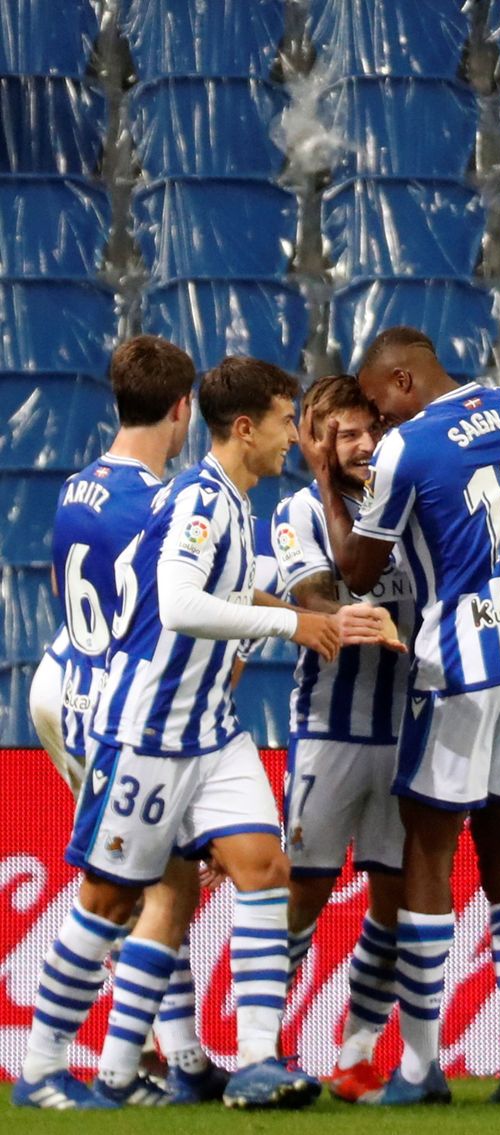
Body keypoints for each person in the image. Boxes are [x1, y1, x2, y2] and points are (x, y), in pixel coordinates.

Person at [16, 356, 388, 1111]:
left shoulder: (227, 501)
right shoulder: (197, 501)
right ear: (244, 428)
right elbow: (182, 604)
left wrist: (314, 613)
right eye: (287, 421)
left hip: (210, 733)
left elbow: (216, 591)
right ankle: (43, 1069)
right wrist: (294, 621)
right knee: (108, 901)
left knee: (263, 866)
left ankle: (255, 1058)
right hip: (147, 730)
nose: (296, 437)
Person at [315, 327, 500, 1106]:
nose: (377, 424)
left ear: (402, 380)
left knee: (428, 858)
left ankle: (422, 1066)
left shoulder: (407, 447)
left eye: (377, 405)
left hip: (462, 661)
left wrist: (329, 479)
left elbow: (357, 571)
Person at [22, 337, 229, 1107]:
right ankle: (75, 1061)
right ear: (182, 410)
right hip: (114, 706)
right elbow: (172, 623)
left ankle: (175, 1055)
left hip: (61, 679)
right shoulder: (161, 506)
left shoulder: (79, 487)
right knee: (131, 885)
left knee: (160, 879)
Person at [270, 374, 412, 1104]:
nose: (361, 445)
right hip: (329, 733)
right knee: (306, 891)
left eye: (370, 431)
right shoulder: (296, 509)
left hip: (408, 735)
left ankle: (357, 1053)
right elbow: (319, 600)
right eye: (343, 433)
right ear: (315, 440)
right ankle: (263, 1044)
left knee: (393, 896)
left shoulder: (410, 506)